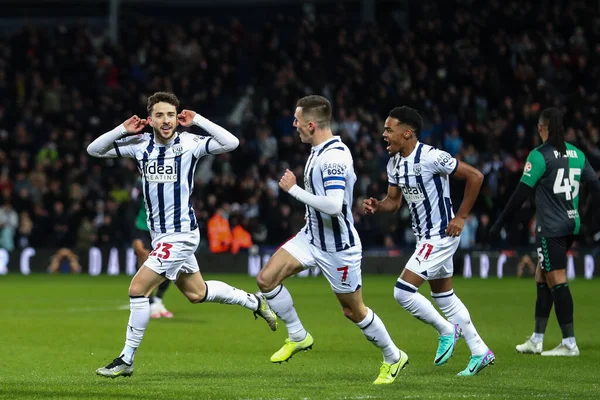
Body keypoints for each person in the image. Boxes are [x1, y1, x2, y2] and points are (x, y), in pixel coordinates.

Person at [87, 92, 277, 378]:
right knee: (196, 293)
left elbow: (231, 142)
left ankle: (126, 359)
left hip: (181, 234)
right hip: (159, 235)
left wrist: (198, 120)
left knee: (138, 289)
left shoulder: (189, 143)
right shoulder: (139, 144)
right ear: (149, 119)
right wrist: (122, 130)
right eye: (160, 115)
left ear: (178, 118)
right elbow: (93, 150)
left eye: (171, 115)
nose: (166, 121)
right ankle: (253, 301)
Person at [256, 95, 408, 385]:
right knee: (266, 280)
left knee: (353, 311)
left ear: (311, 124)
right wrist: (309, 210)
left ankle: (393, 355)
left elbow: (336, 204)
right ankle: (298, 335)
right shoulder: (318, 149)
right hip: (312, 237)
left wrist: (294, 191)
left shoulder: (334, 157)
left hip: (338, 248)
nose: (294, 125)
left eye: (297, 121)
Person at [363, 106, 495, 376]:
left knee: (402, 291)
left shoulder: (432, 156)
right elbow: (395, 202)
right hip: (424, 237)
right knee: (443, 296)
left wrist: (461, 217)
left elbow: (475, 176)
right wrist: (379, 204)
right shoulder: (394, 163)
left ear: (407, 132)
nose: (384, 134)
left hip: (441, 235)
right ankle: (480, 351)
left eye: (389, 129)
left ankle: (447, 330)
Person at [490, 107, 600, 357]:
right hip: (571, 224)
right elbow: (595, 185)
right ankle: (537, 340)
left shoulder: (540, 156)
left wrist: (499, 223)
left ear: (542, 128)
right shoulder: (578, 154)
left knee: (556, 278)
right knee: (542, 275)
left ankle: (569, 344)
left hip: (550, 227)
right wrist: (592, 217)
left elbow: (520, 194)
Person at [130, 178, 173, 318]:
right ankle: (150, 300)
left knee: (170, 263)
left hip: (164, 228)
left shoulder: (170, 177)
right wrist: (133, 234)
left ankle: (159, 300)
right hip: (143, 226)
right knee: (144, 258)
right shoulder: (139, 182)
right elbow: (133, 205)